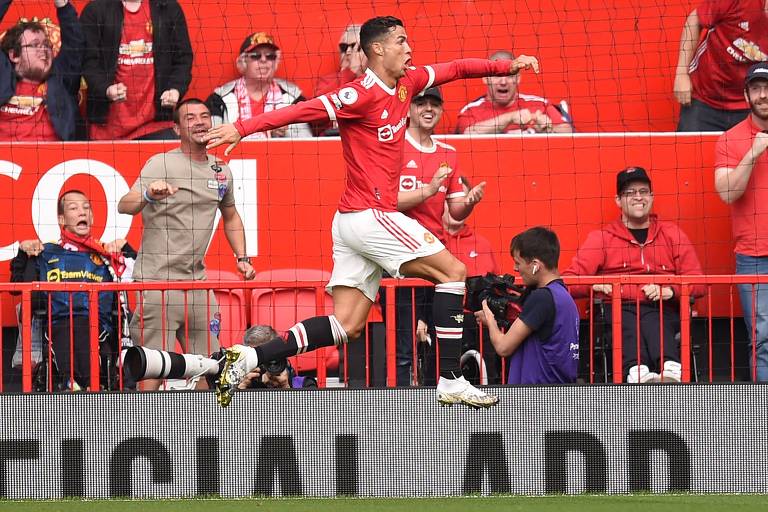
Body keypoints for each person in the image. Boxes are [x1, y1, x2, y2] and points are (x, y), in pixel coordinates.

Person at [205, 15, 540, 408]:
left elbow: (456, 69)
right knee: (454, 272)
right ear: (377, 49)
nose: (409, 48)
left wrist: (505, 65)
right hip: (369, 216)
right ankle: (450, 379)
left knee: (347, 324)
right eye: (401, 41)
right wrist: (242, 128)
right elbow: (301, 112)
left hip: (352, 222)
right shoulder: (357, 95)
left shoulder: (409, 82)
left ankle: (249, 356)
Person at [117, 98, 255, 390]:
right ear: (177, 128)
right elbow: (124, 205)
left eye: (205, 116)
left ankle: (205, 432)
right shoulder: (161, 163)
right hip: (156, 284)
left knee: (212, 366)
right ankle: (144, 431)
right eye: (190, 118)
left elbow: (231, 216)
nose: (200, 122)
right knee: (151, 369)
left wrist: (243, 257)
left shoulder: (222, 171)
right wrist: (149, 196)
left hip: (197, 286)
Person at [563, 166, 705, 383]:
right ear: (618, 200)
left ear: (651, 197)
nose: (638, 197)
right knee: (626, 317)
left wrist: (669, 291)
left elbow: (698, 282)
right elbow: (568, 281)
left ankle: (669, 370)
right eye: (630, 193)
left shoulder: (672, 234)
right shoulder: (601, 238)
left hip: (662, 308)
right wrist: (594, 286)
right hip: (618, 308)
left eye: (643, 191)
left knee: (652, 316)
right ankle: (639, 372)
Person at [387, 86, 487, 385]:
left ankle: (435, 398)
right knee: (403, 344)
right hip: (397, 254)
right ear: (409, 108)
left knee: (436, 340)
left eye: (434, 104)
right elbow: (384, 200)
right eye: (421, 103)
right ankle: (397, 406)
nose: (428, 109)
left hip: (434, 255)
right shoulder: (393, 146)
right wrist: (428, 190)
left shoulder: (448, 153)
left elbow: (454, 212)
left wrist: (468, 203)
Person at [10, 190, 135, 390]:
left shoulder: (106, 254)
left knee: (84, 325)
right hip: (57, 324)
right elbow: (17, 287)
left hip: (99, 327)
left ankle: (78, 384)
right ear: (62, 219)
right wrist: (23, 253)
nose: (82, 213)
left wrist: (127, 248)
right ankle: (85, 385)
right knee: (68, 327)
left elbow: (140, 275)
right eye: (74, 208)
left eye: (86, 208)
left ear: (92, 217)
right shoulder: (45, 252)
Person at [714, 62, 768, 381]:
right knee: (763, 339)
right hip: (754, 256)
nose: (763, 95)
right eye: (756, 89)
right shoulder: (730, 140)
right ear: (747, 95)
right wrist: (753, 152)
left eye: (767, 87)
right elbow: (727, 193)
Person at [475, 227, 579, 384]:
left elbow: (503, 347)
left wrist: (490, 319)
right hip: (558, 393)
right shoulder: (564, 296)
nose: (515, 269)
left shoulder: (542, 297)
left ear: (535, 265)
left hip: (536, 397)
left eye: (518, 263)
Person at [80, 0, 193, 140]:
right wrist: (106, 89)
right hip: (107, 127)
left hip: (155, 125)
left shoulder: (167, 7)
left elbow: (183, 58)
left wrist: (176, 89)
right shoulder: (96, 9)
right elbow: (87, 60)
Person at [674, 2, 768, 132]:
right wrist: (681, 74)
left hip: (753, 105)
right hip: (705, 99)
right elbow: (694, 20)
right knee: (687, 150)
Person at [0, 0, 83, 141]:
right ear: (14, 55)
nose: (43, 50)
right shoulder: (2, 77)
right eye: (34, 45)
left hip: (55, 159)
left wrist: (62, 5)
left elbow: (75, 44)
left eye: (46, 45)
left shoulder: (61, 79)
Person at [206, 32, 312, 139]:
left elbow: (306, 141)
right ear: (243, 62)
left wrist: (280, 134)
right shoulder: (219, 99)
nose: (263, 60)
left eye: (270, 56)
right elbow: (213, 141)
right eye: (256, 56)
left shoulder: (293, 97)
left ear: (275, 63)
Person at [455, 50, 572, 135]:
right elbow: (467, 134)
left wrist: (549, 128)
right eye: (497, 76)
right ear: (485, 78)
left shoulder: (540, 105)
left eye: (510, 76)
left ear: (518, 79)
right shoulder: (471, 110)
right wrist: (510, 118)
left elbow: (568, 131)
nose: (503, 82)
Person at [313, 24, 367, 135]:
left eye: (355, 47)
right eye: (344, 47)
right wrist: (348, 74)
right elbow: (315, 118)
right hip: (332, 140)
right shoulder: (327, 82)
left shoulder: (378, 79)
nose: (348, 52)